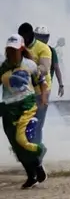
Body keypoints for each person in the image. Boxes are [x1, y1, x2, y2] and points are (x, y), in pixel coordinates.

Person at [0, 34, 48, 189]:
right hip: (8, 108)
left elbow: (41, 81)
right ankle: (31, 175)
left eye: (15, 50)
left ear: (21, 49)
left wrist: (43, 98)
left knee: (23, 140)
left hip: (26, 105)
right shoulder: (3, 66)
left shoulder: (30, 64)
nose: (12, 53)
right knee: (15, 146)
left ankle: (39, 158)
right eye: (9, 50)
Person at [18, 23, 51, 144]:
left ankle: (36, 152)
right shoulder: (20, 47)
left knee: (37, 123)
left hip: (40, 91)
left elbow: (45, 68)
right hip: (24, 91)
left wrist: (29, 68)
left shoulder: (43, 48)